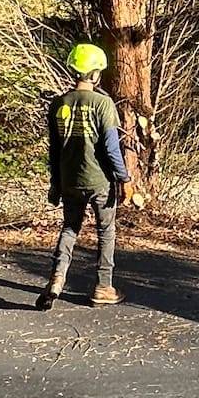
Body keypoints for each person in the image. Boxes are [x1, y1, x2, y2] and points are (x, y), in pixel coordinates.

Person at [40, 42, 128, 309]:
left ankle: (56, 279)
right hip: (99, 181)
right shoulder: (103, 104)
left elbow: (54, 151)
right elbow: (112, 149)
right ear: (95, 74)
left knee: (69, 229)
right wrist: (123, 178)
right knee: (106, 231)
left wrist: (55, 184)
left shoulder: (58, 104)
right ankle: (103, 286)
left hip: (69, 180)